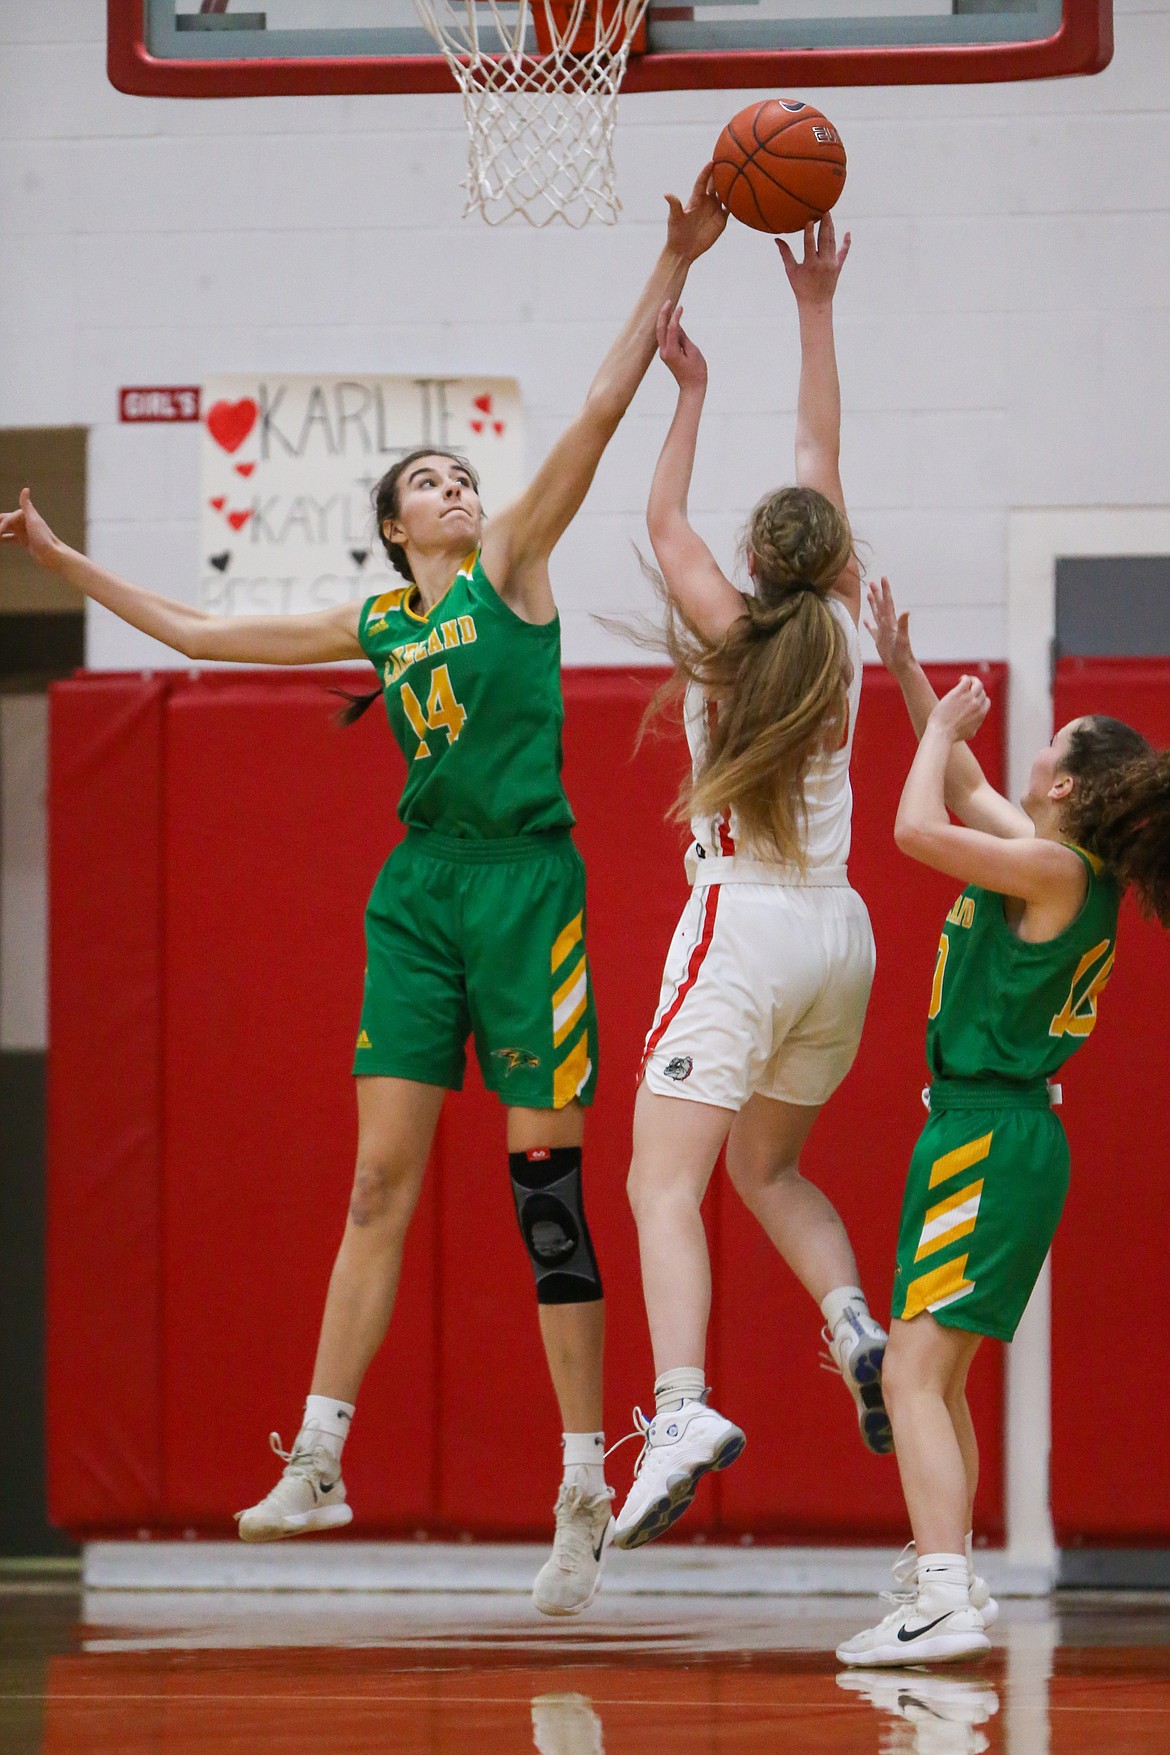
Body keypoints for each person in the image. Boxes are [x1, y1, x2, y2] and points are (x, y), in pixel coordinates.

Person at [0, 167, 728, 1617]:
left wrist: (670, 258)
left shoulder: (510, 567)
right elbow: (206, 627)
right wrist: (70, 558)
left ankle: (584, 1477)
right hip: (419, 897)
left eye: (461, 473)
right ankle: (322, 1450)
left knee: (544, 1195)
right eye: (428, 485)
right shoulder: (378, 618)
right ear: (398, 529)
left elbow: (591, 415)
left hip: (530, 892)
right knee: (377, 1179)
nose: (455, 486)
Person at [612, 215, 891, 1554]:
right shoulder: (840, 629)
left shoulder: (728, 626)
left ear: (754, 560)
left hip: (744, 919)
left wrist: (690, 389)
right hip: (841, 931)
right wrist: (816, 303)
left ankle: (678, 1405)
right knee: (769, 1167)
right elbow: (818, 457)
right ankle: (852, 1323)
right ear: (830, 560)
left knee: (658, 1183)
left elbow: (660, 514)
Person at [837, 578, 1170, 1667]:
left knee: (908, 1372)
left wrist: (931, 728)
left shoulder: (1048, 866)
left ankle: (939, 1587)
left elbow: (913, 824)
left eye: (1054, 743)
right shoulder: (1051, 854)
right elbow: (970, 783)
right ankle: (953, 1575)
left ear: (1070, 782)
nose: (1033, 751)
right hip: (988, 1131)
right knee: (937, 1373)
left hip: (992, 1129)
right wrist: (899, 663)